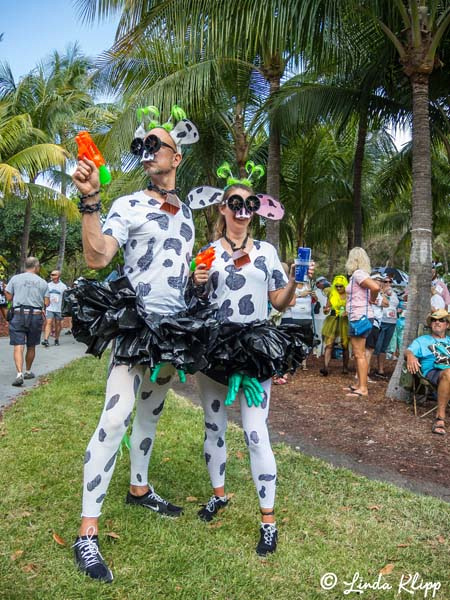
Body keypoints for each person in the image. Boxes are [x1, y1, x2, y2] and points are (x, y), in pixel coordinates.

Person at [70, 107, 199, 582]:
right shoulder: (126, 204)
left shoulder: (186, 212)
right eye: (140, 147)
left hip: (173, 330)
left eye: (154, 145)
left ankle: (139, 489)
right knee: (115, 415)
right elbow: (98, 256)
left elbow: (178, 271)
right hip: (135, 326)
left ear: (176, 157)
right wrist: (90, 202)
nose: (146, 153)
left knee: (151, 412)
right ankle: (87, 532)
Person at [189, 171, 312, 556]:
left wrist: (293, 282)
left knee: (256, 433)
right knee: (214, 427)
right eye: (235, 204)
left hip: (255, 350)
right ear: (223, 209)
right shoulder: (208, 252)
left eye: (250, 205)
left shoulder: (267, 253)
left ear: (256, 212)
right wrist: (197, 281)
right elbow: (196, 302)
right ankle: (219, 495)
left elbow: (279, 302)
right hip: (215, 352)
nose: (243, 211)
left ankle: (268, 520)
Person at [405, 308, 450, 435]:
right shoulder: (423, 340)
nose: (437, 322)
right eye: (434, 320)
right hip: (433, 371)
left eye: (441, 320)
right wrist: (410, 356)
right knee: (448, 373)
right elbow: (409, 350)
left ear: (447, 325)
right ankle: (440, 418)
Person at [5, 257, 49, 386]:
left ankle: (19, 373)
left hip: (18, 314)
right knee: (31, 345)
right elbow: (46, 302)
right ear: (36, 267)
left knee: (18, 345)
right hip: (35, 315)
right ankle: (28, 371)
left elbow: (8, 296)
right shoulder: (42, 282)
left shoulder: (15, 278)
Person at [343, 248, 380, 398]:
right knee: (359, 354)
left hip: (360, 317)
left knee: (359, 354)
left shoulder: (358, 274)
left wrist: (372, 299)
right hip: (358, 316)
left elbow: (376, 287)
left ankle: (363, 388)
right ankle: (359, 384)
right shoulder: (359, 275)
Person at [281, 280, 315, 370]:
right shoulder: (290, 285)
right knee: (294, 340)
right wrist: (300, 295)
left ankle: (304, 363)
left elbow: (313, 300)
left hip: (307, 317)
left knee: (306, 340)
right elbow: (286, 299)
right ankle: (291, 362)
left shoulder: (307, 285)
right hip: (294, 316)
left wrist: (314, 296)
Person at [320, 275, 349, 376]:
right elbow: (326, 309)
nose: (339, 288)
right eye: (337, 286)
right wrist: (326, 310)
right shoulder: (332, 294)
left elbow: (352, 308)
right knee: (329, 344)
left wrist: (347, 312)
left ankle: (345, 367)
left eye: (341, 286)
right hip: (332, 320)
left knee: (345, 345)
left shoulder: (349, 295)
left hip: (344, 321)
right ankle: (325, 367)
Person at [372, 277, 399, 379]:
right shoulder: (377, 292)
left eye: (390, 281)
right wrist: (383, 293)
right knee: (376, 346)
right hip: (381, 321)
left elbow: (395, 304)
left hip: (391, 322)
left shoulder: (394, 293)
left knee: (384, 347)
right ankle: (367, 369)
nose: (388, 283)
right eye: (385, 281)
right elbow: (382, 304)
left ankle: (380, 370)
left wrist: (390, 293)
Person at [41, 270, 67, 347]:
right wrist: (43, 307)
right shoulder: (48, 285)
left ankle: (56, 339)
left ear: (58, 276)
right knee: (48, 322)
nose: (51, 276)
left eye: (54, 275)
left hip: (59, 309)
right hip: (50, 308)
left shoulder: (63, 286)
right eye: (51, 275)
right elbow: (44, 297)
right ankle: (46, 340)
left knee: (58, 325)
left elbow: (66, 298)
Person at [312, 276, 330, 357]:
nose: (323, 283)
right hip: (318, 317)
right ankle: (318, 353)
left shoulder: (329, 291)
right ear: (317, 283)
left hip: (327, 316)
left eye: (324, 281)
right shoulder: (315, 291)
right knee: (318, 334)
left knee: (326, 335)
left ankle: (325, 352)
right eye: (321, 282)